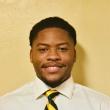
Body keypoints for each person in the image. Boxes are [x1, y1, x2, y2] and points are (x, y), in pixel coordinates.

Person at [0, 17, 110, 110]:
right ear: (31, 55)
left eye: (62, 49)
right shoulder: (6, 105)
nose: (53, 56)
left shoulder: (101, 105)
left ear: (74, 55)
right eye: (43, 49)